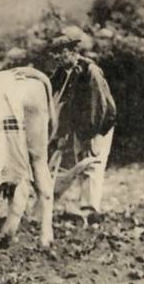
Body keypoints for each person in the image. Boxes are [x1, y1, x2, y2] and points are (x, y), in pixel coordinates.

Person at [48, 34, 117, 216]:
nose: (57, 57)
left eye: (60, 52)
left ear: (73, 51)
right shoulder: (62, 73)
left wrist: (89, 135)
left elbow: (98, 105)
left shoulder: (90, 71)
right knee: (82, 163)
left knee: (92, 164)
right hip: (80, 125)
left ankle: (90, 209)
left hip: (99, 125)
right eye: (54, 54)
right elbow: (58, 99)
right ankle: (86, 205)